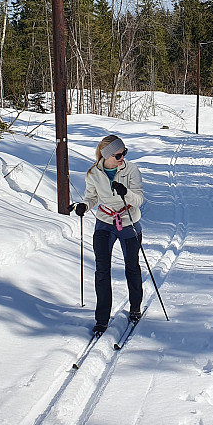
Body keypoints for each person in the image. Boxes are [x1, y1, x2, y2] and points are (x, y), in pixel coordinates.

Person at [70, 135, 144, 334]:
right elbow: (91, 197)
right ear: (107, 155)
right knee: (102, 270)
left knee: (132, 266)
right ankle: (102, 318)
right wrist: (84, 206)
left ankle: (135, 308)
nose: (122, 158)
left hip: (129, 221)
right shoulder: (93, 173)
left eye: (124, 153)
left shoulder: (131, 170)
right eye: (119, 155)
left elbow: (138, 200)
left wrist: (125, 192)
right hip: (105, 223)